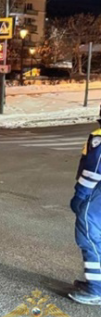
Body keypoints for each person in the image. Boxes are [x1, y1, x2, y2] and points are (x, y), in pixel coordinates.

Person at [69, 106, 101, 305]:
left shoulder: (99, 138)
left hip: (97, 192)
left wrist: (80, 195)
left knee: (88, 235)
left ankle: (96, 289)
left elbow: (94, 169)